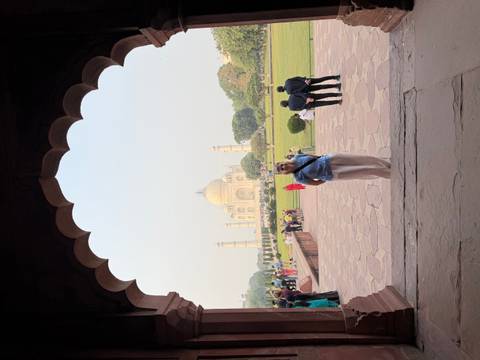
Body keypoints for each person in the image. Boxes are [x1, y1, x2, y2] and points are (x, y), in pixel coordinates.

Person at [275, 153, 390, 185]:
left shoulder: (296, 157)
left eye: (281, 165)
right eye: (281, 169)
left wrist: (322, 158)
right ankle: (388, 173)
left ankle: (385, 163)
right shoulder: (298, 177)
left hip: (330, 159)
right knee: (362, 171)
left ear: (283, 162)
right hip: (332, 173)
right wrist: (323, 176)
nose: (283, 167)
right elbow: (315, 183)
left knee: (360, 159)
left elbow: (312, 155)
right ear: (284, 173)